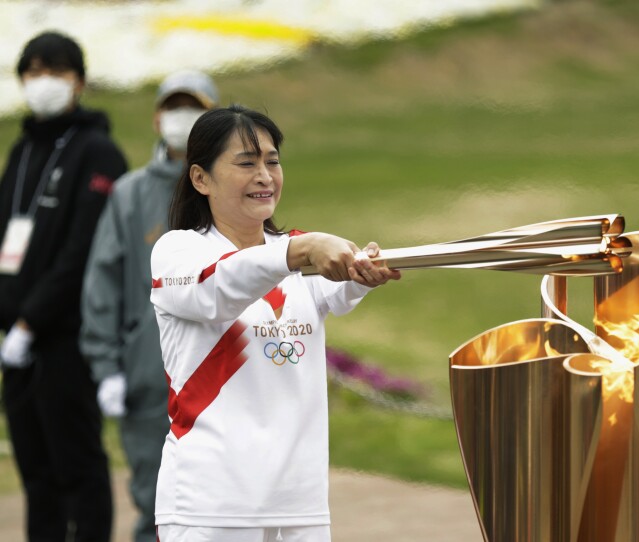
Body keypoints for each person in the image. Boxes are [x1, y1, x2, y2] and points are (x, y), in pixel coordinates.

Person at [150, 104, 400, 541]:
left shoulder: (294, 252)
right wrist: (299, 252)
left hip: (299, 505)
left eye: (273, 161)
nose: (265, 175)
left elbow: (335, 293)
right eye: (246, 163)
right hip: (213, 506)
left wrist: (364, 274)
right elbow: (218, 288)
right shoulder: (179, 253)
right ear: (200, 178)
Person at [80, 70, 219, 542]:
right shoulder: (130, 193)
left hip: (219, 375)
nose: (184, 119)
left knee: (219, 507)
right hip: (147, 376)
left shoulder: (229, 190)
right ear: (158, 119)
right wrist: (107, 368)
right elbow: (103, 280)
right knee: (156, 506)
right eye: (175, 108)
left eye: (195, 108)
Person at [0, 31, 128, 541]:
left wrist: (31, 321)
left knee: (77, 464)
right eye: (32, 72)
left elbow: (82, 253)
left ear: (79, 81)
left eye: (54, 71)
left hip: (65, 337)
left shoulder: (98, 152)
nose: (42, 82)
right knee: (35, 469)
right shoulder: (22, 149)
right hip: (15, 340)